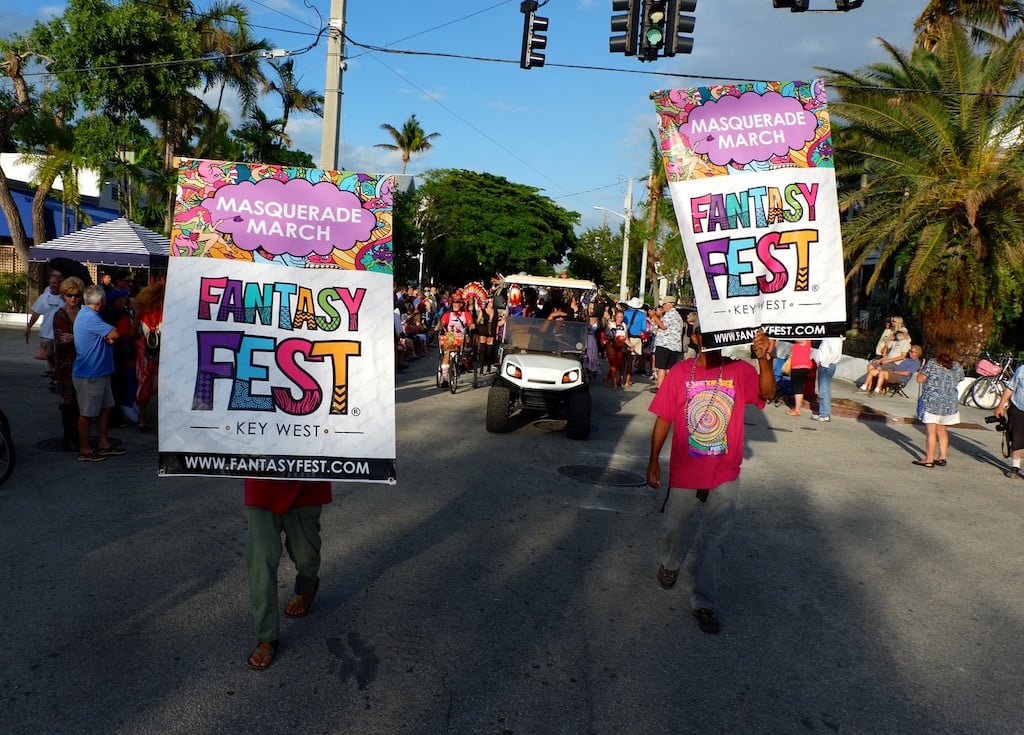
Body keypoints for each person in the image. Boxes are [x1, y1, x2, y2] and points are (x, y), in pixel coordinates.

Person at [646, 316, 775, 634]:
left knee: (716, 539)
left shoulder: (739, 371)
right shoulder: (679, 373)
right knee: (674, 527)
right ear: (696, 339)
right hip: (685, 470)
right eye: (706, 333)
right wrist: (653, 461)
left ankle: (704, 602)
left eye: (720, 333)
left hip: (724, 471)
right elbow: (663, 418)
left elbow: (767, 393)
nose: (713, 339)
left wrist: (763, 359)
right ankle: (670, 562)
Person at [244, 478, 332, 670]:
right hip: (261, 482)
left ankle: (307, 587)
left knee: (306, 558)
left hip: (308, 480)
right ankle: (267, 638)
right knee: (261, 561)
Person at [72, 285, 127, 462]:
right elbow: (115, 333)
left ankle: (103, 443)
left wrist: (108, 337)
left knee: (105, 408)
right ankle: (85, 449)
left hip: (99, 371)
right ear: (101, 302)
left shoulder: (88, 315)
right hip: (90, 373)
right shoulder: (91, 318)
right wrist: (110, 336)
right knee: (87, 413)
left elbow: (109, 336)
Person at [913, 341, 964, 468]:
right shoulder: (957, 366)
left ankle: (929, 459)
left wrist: (921, 369)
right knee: (942, 429)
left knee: (931, 431)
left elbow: (920, 379)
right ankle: (942, 457)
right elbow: (959, 380)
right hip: (950, 403)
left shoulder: (932, 363)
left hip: (932, 401)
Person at [53, 277, 85, 451]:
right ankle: (69, 438)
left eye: (77, 295)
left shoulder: (84, 313)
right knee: (68, 401)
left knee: (81, 402)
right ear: (63, 295)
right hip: (66, 365)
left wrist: (73, 337)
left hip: (83, 363)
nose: (73, 298)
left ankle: (79, 438)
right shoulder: (60, 314)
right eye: (69, 295)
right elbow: (61, 341)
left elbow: (90, 338)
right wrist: (78, 338)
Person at [132, 282, 164, 432]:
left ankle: (142, 420)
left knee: (144, 384)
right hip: (162, 353)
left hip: (144, 352)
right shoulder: (168, 311)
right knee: (161, 385)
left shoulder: (142, 310)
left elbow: (132, 333)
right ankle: (161, 419)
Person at [26, 271, 65, 380]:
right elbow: (36, 313)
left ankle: (57, 377)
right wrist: (29, 327)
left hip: (60, 335)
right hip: (46, 334)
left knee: (59, 357)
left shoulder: (66, 298)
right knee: (49, 355)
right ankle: (53, 371)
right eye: (51, 283)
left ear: (61, 284)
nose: (53, 285)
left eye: (55, 283)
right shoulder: (43, 297)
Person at [435, 291, 475, 386]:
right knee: (446, 354)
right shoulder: (447, 315)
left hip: (462, 336)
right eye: (454, 303)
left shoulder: (466, 314)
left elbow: (470, 322)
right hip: (450, 337)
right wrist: (438, 326)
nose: (455, 305)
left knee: (467, 346)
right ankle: (445, 379)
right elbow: (442, 323)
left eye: (457, 303)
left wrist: (471, 325)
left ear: (461, 304)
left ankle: (463, 362)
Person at [995, 361, 1024, 479]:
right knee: (1016, 439)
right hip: (1019, 408)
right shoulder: (1022, 369)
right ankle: (1015, 467)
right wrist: (1000, 405)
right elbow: (1011, 387)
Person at [650, 296, 684, 389]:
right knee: (669, 368)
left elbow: (663, 326)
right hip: (674, 345)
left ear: (671, 304)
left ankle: (660, 388)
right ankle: (667, 387)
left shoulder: (670, 314)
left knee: (661, 367)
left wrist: (653, 316)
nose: (663, 306)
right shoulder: (678, 316)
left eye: (665, 304)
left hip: (665, 344)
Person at [810, 337, 843, 423]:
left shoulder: (834, 338)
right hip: (825, 365)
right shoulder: (830, 337)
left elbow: (835, 353)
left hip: (827, 366)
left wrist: (824, 363)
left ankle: (825, 414)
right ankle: (823, 412)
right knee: (824, 389)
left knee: (824, 390)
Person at [602, 309, 629, 389]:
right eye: (618, 317)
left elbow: (626, 338)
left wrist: (630, 345)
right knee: (613, 365)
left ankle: (606, 379)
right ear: (615, 317)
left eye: (621, 317)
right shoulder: (610, 324)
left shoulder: (624, 325)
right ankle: (614, 384)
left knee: (618, 365)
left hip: (620, 346)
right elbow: (606, 335)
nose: (620, 318)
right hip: (611, 346)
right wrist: (611, 336)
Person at [786, 339, 813, 416]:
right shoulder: (802, 341)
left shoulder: (805, 339)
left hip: (800, 366)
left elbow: (797, 338)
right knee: (796, 387)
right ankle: (796, 408)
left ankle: (797, 410)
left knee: (798, 388)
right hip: (797, 366)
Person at [622, 297, 646, 385]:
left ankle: (620, 378)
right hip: (636, 338)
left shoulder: (625, 313)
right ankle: (627, 381)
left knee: (623, 359)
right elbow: (644, 328)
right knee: (630, 360)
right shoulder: (642, 315)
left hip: (625, 337)